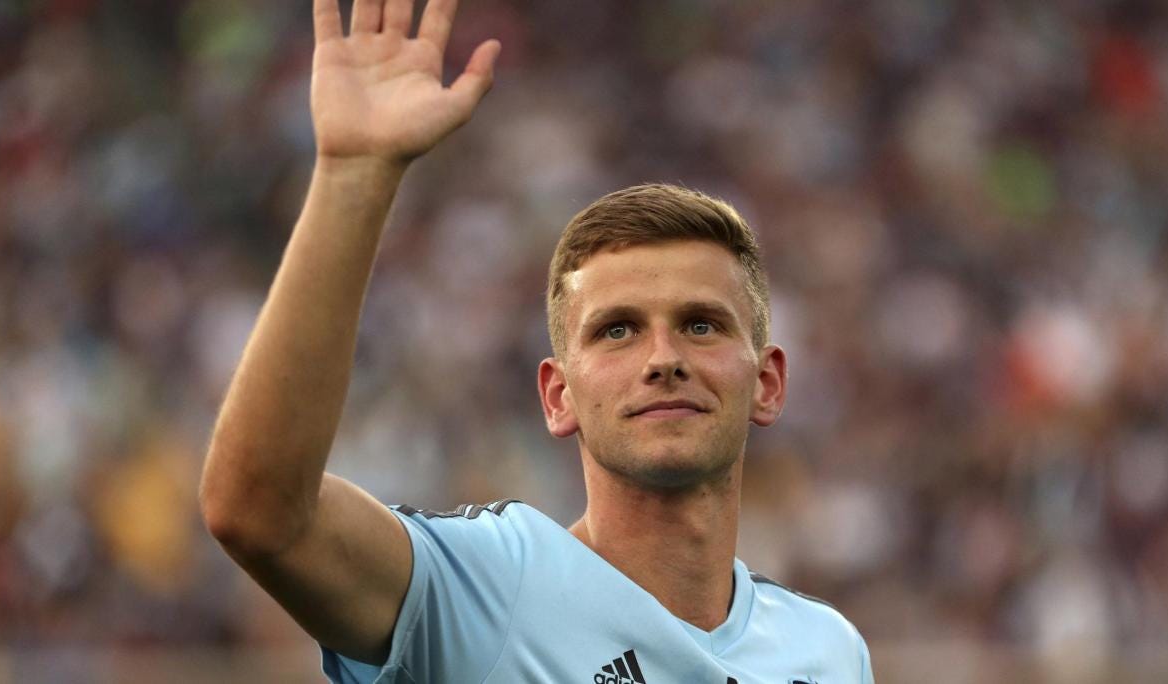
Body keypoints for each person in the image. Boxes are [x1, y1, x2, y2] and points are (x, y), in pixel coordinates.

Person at [198, 0, 874, 682]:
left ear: (768, 383)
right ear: (557, 396)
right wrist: (352, 175)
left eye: (700, 325)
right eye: (617, 330)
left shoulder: (829, 652)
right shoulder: (480, 592)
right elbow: (259, 511)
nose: (663, 359)